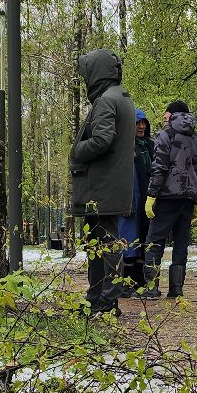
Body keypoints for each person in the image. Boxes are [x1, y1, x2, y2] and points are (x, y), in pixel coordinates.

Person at [70, 49, 137, 314]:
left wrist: (77, 150)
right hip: (108, 186)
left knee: (105, 245)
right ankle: (96, 299)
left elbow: (101, 140)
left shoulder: (107, 101)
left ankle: (106, 301)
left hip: (102, 188)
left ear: (95, 73)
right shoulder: (120, 97)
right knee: (98, 245)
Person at [142, 100, 197, 300]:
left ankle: (152, 288)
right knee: (181, 243)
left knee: (154, 240)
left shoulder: (166, 135)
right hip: (188, 199)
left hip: (167, 197)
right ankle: (176, 289)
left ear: (172, 115)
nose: (164, 117)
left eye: (166, 114)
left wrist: (152, 195)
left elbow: (159, 168)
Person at [117, 110, 152, 294]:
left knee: (141, 243)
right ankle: (126, 284)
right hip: (130, 202)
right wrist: (125, 201)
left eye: (144, 123)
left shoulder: (147, 146)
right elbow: (122, 177)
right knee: (128, 243)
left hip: (144, 204)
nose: (141, 126)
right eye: (138, 123)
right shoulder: (124, 148)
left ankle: (139, 282)